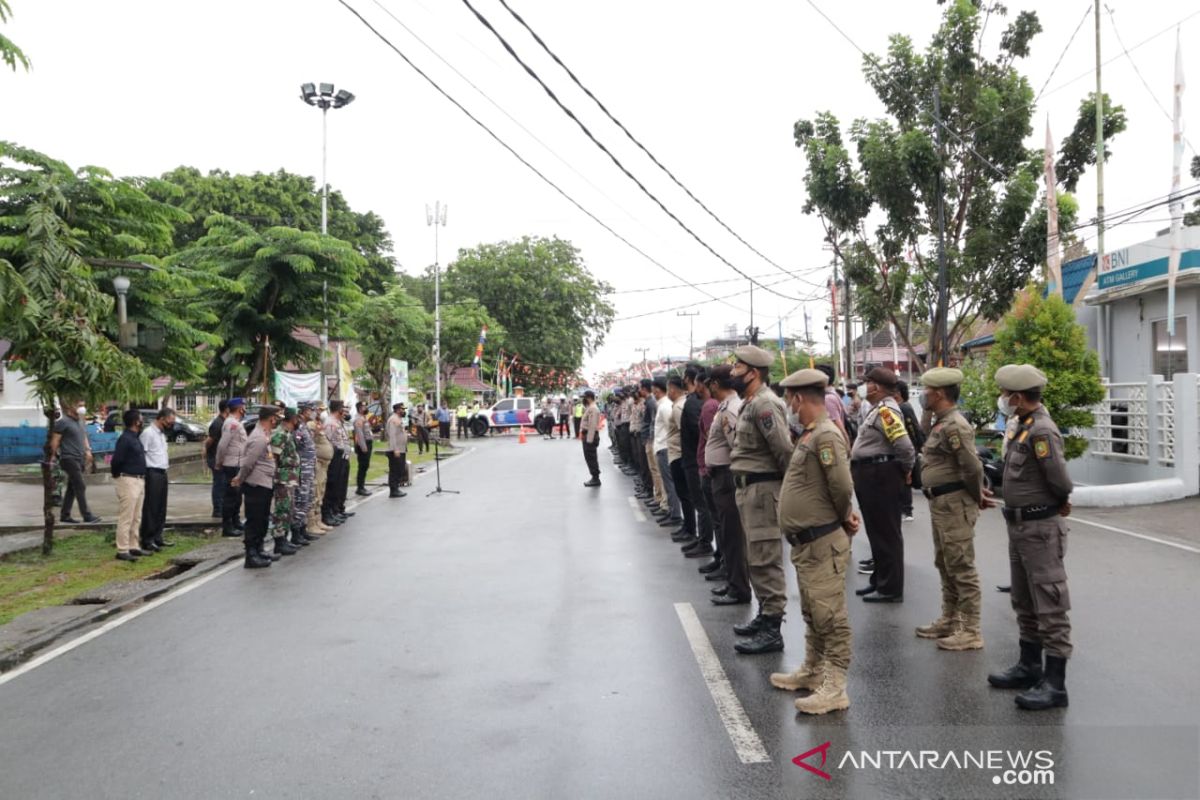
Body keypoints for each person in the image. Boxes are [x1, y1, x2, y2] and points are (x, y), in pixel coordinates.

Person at [769, 368, 859, 714]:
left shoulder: (825, 436)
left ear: (799, 398)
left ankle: (835, 686)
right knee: (812, 610)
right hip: (807, 543)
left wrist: (843, 515)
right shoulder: (809, 434)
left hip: (822, 540)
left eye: (790, 398)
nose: (789, 404)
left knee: (830, 615)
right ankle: (812, 670)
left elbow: (841, 485)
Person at [987, 364, 1074, 711]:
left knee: (1049, 603)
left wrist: (1059, 502)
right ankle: (1029, 666)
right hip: (1020, 526)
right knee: (1023, 600)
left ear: (1019, 398)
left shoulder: (1041, 432)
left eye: (1007, 395)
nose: (1004, 399)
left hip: (1039, 529)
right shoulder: (1022, 427)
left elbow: (1061, 482)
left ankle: (1055, 684)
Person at [913, 367, 986, 652]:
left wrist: (977, 496)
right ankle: (950, 618)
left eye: (926, 391)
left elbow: (971, 466)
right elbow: (923, 435)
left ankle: (970, 629)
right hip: (940, 503)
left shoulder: (955, 425)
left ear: (939, 393)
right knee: (944, 562)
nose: (922, 395)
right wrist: (928, 412)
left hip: (954, 503)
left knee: (961, 565)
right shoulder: (940, 422)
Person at [728, 345, 793, 655]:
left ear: (752, 373)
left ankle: (773, 628)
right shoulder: (751, 403)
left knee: (766, 558)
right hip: (748, 490)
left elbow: (783, 450)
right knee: (755, 557)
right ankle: (764, 615)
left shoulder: (766, 404)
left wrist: (789, 492)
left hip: (763, 492)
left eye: (737, 367)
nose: (732, 372)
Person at [852, 367, 915, 604]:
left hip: (881, 475)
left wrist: (905, 471)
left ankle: (890, 588)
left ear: (875, 386)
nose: (864, 386)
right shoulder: (878, 409)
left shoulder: (887, 411)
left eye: (866, 382)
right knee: (876, 532)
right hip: (871, 474)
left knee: (886, 534)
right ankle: (879, 580)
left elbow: (905, 447)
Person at [705, 366, 750, 605]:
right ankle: (734, 583)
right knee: (727, 533)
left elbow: (737, 446)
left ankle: (739, 588)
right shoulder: (725, 407)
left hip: (727, 477)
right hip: (721, 477)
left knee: (733, 535)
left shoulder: (730, 409)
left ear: (714, 383)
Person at [232, 405, 280, 569]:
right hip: (256, 484)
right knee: (255, 520)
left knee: (262, 519)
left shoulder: (264, 434)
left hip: (264, 483)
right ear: (271, 418)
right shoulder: (259, 437)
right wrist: (240, 478)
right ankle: (251, 555)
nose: (278, 421)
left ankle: (259, 550)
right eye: (276, 417)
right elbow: (248, 463)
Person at [680, 367, 715, 560]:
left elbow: (701, 433)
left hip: (696, 459)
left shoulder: (697, 403)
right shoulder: (697, 401)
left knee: (702, 505)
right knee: (699, 503)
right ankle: (702, 539)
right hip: (695, 458)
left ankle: (705, 542)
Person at [51, 399, 101, 524]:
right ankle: (87, 515)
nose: (82, 408)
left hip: (80, 458)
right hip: (68, 458)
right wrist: (52, 456)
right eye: (79, 405)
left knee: (72, 488)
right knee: (80, 485)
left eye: (83, 405)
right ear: (70, 407)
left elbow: (83, 436)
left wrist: (88, 451)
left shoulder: (80, 421)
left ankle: (65, 515)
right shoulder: (63, 422)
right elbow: (55, 440)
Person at [110, 409, 149, 561]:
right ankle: (122, 549)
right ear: (135, 422)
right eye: (141, 419)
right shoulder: (125, 439)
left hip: (139, 479)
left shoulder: (135, 437)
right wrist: (118, 476)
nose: (143, 421)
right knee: (126, 515)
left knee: (136, 516)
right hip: (128, 479)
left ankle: (134, 545)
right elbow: (116, 461)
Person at [695, 371, 724, 573]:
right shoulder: (715, 406)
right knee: (718, 521)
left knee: (719, 521)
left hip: (711, 469)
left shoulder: (710, 407)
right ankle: (720, 559)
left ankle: (723, 561)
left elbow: (710, 437)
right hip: (709, 467)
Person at [139, 406, 176, 553]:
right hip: (151, 472)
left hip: (162, 471)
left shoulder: (161, 434)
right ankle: (147, 539)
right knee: (151, 507)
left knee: (161, 507)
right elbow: (142, 454)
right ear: (161, 419)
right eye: (170, 420)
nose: (171, 424)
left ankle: (157, 537)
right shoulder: (148, 433)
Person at [665, 377, 695, 546]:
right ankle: (687, 527)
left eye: (669, 389)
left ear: (674, 390)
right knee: (685, 495)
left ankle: (690, 529)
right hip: (679, 454)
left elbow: (685, 433)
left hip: (679, 454)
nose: (668, 392)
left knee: (685, 495)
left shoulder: (678, 407)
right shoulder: (681, 404)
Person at [269, 408, 303, 557]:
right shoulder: (280, 434)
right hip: (282, 478)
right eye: (297, 417)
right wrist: (275, 478)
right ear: (293, 418)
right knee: (282, 510)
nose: (299, 420)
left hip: (290, 477)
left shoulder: (287, 434)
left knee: (289, 509)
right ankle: (279, 540)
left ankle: (285, 537)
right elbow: (274, 459)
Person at [651, 378, 683, 528]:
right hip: (662, 447)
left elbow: (674, 428)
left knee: (669, 483)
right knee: (666, 482)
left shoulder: (665, 407)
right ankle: (671, 511)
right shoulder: (663, 405)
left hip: (665, 448)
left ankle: (675, 514)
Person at [215, 397, 248, 537]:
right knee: (231, 497)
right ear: (240, 408)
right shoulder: (231, 424)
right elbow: (223, 445)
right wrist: (218, 462)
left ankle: (236, 522)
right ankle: (227, 526)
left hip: (238, 464)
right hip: (232, 464)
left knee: (237, 497)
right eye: (244, 406)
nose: (245, 409)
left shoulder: (236, 423)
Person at [896, 380, 926, 522]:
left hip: (908, 447)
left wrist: (917, 447)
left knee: (906, 479)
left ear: (899, 393)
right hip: (903, 448)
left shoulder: (905, 408)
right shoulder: (897, 407)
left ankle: (908, 510)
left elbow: (913, 429)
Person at [291, 402, 322, 542]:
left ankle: (303, 529)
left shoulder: (305, 427)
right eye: (311, 410)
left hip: (309, 469)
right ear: (304, 411)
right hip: (302, 469)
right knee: (300, 500)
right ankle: (296, 532)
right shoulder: (298, 428)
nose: (314, 412)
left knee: (308, 499)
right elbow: (294, 447)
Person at [323, 400, 353, 526]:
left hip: (342, 457)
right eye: (343, 408)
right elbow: (329, 441)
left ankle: (337, 510)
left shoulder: (338, 422)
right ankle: (329, 513)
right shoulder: (330, 423)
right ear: (338, 409)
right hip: (335, 457)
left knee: (340, 485)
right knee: (332, 485)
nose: (345, 411)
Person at [309, 403, 336, 532]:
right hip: (317, 463)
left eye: (323, 410)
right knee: (316, 491)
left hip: (323, 464)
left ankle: (318, 520)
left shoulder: (318, 423)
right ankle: (312, 523)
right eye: (319, 410)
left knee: (321, 491)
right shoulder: (310, 425)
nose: (321, 412)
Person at [204, 400, 229, 519]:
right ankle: (217, 510)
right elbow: (209, 441)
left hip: (221, 458)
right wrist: (206, 451)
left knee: (223, 484)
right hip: (215, 458)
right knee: (219, 484)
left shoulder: (224, 422)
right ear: (226, 409)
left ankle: (221, 508)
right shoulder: (218, 423)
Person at [386, 402, 409, 498]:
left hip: (401, 448)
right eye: (402, 409)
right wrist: (395, 449)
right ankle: (393, 490)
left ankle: (396, 488)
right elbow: (392, 435)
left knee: (400, 469)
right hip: (396, 449)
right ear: (397, 410)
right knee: (395, 470)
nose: (404, 411)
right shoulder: (393, 419)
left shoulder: (398, 419)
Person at [579, 390, 602, 486]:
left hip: (590, 436)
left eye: (585, 397)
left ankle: (595, 478)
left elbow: (592, 425)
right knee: (589, 457)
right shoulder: (590, 407)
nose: (584, 399)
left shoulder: (593, 408)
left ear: (589, 397)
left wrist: (589, 440)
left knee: (591, 457)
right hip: (588, 435)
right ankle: (594, 477)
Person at [353, 400, 375, 497]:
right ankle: (360, 487)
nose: (366, 409)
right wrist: (363, 447)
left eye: (366, 407)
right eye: (363, 407)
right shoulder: (358, 419)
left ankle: (362, 486)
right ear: (359, 409)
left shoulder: (363, 418)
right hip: (364, 445)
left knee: (365, 465)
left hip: (368, 443)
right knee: (363, 466)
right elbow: (359, 434)